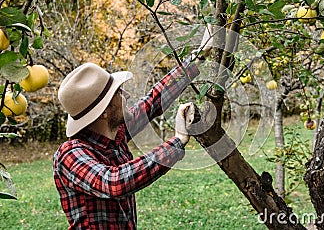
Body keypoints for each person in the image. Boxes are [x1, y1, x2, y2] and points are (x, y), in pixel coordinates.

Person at [53, 27, 213, 230]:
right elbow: (114, 183)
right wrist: (178, 140)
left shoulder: (114, 134)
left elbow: (154, 100)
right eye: (119, 93)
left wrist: (199, 55)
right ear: (103, 112)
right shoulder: (70, 154)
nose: (126, 95)